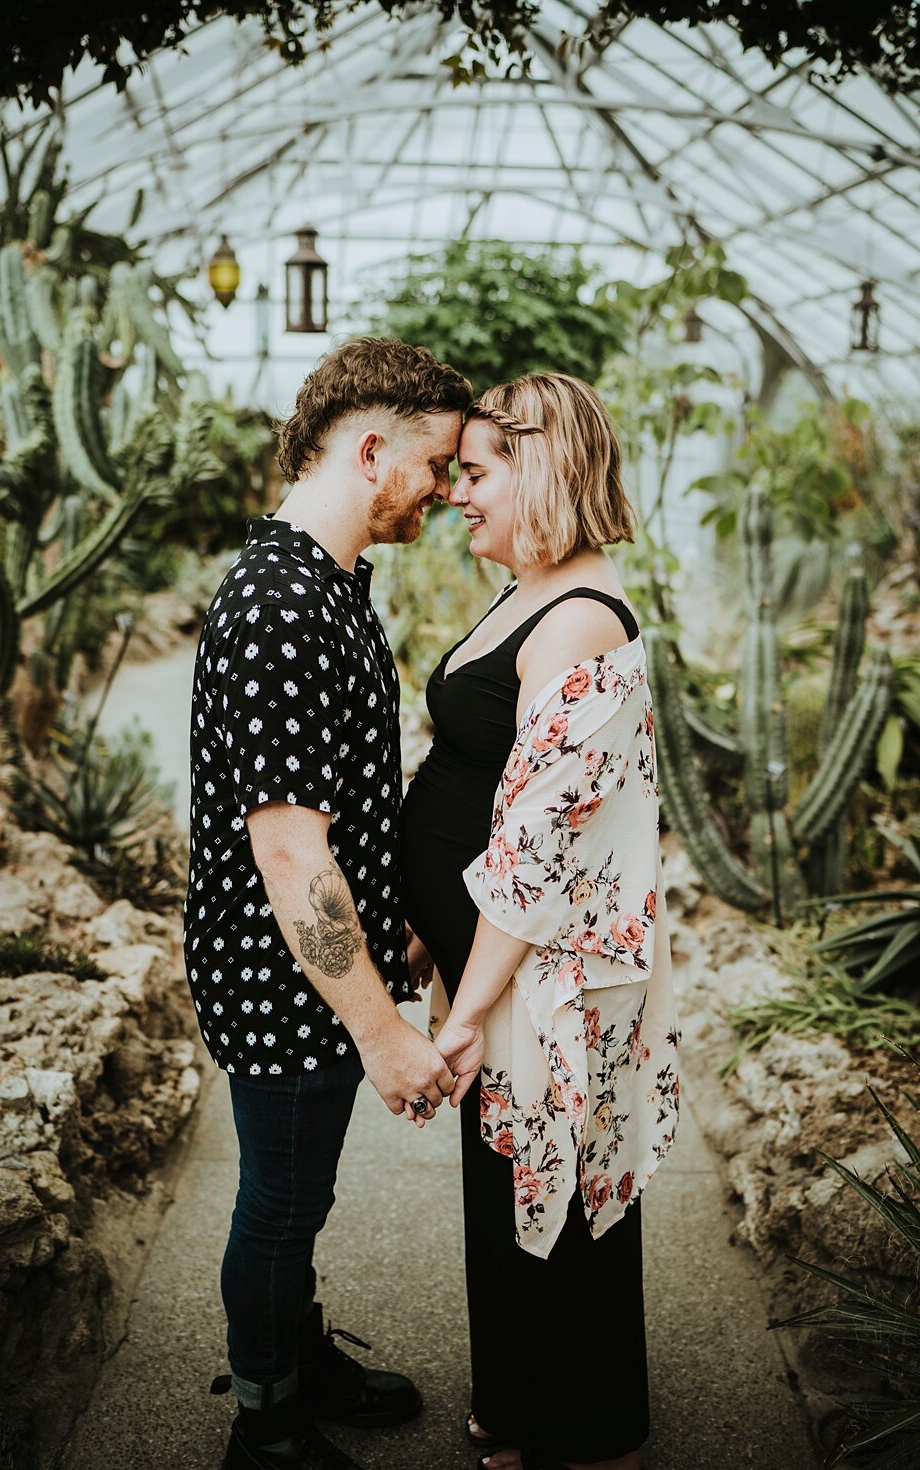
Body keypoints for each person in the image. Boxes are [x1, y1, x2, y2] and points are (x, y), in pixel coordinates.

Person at [183, 336, 473, 1470]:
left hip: (310, 971)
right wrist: (386, 1031)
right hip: (282, 980)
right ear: (367, 449)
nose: (446, 492)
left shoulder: (329, 583)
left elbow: (341, 796)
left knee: (296, 1192)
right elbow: (293, 858)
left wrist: (395, 907)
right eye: (437, 466)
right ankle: (265, 1418)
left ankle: (294, 1358)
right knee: (280, 1204)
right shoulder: (281, 608)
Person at [401, 372, 680, 1470]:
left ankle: (581, 1427)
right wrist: (429, 932)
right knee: (510, 1179)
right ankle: (524, 1400)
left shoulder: (574, 621)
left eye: (475, 472)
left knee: (549, 1185)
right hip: (491, 958)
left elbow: (535, 848)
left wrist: (464, 1011)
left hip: (536, 975)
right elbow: (472, 773)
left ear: (543, 468)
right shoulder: (529, 589)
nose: (455, 495)